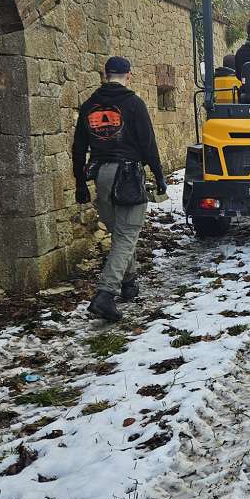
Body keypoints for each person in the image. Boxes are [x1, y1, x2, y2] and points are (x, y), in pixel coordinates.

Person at [72, 56, 166, 322]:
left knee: (120, 232)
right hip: (127, 175)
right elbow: (148, 144)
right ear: (129, 76)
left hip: (100, 174)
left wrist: (80, 183)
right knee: (126, 234)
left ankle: (129, 282)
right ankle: (105, 294)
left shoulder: (89, 105)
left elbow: (78, 148)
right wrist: (159, 175)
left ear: (105, 75)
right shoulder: (134, 103)